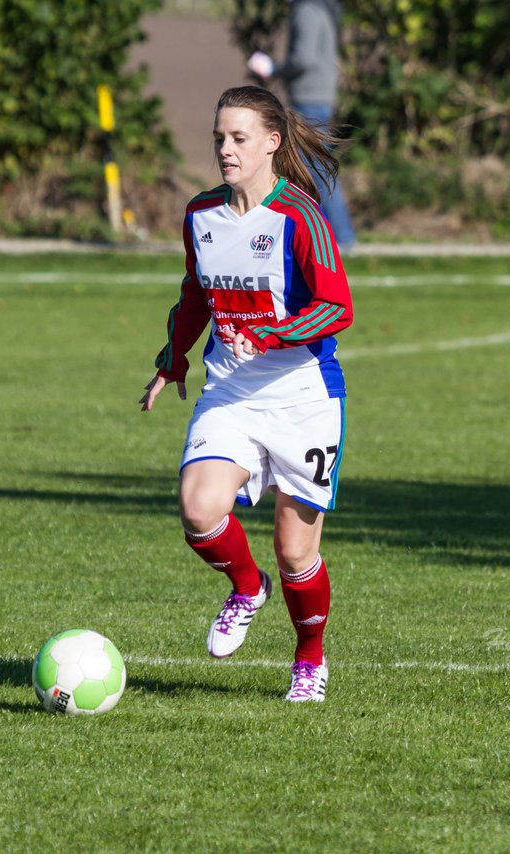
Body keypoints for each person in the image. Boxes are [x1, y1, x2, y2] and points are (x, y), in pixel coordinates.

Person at [139, 85, 353, 703]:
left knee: (296, 552)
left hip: (303, 399)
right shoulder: (200, 214)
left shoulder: (301, 217)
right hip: (229, 391)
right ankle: (245, 587)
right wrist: (173, 360)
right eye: (218, 138)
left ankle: (309, 658)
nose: (225, 150)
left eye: (238, 138)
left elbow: (335, 307)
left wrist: (272, 332)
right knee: (200, 511)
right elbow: (196, 293)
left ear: (271, 143)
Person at [247, 0, 356, 250]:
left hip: (309, 98)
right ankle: (335, 237)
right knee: (315, 168)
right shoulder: (320, 8)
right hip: (319, 97)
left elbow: (302, 59)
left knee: (312, 170)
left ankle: (340, 239)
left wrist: (273, 68)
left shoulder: (306, 10)